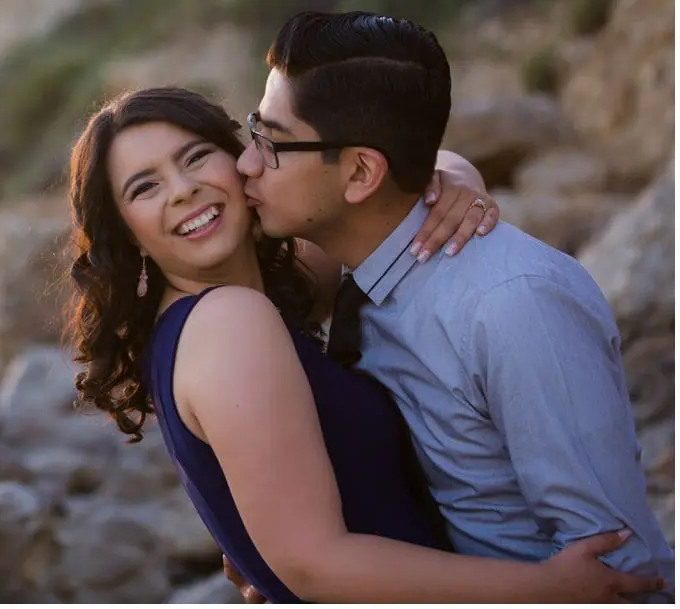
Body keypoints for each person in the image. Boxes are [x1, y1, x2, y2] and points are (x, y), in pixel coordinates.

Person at [62, 84, 666, 602]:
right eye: (144, 188)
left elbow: (380, 197)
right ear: (130, 235)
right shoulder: (229, 322)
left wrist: (454, 182)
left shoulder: (267, 285)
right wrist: (541, 589)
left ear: (243, 163)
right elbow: (311, 562)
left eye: (196, 158)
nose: (182, 190)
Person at [227, 10, 674, 601]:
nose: (246, 164)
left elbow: (619, 571)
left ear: (361, 172)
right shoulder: (358, 276)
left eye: (272, 144)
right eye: (253, 130)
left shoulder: (513, 305)